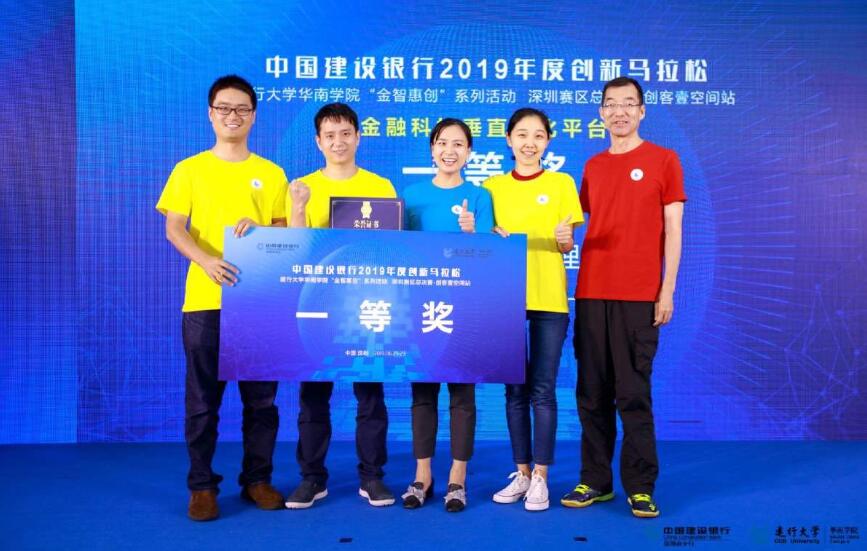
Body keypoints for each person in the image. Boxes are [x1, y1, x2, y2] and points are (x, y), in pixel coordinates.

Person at [156, 74, 287, 521]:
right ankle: (201, 486)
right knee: (202, 402)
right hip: (206, 301)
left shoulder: (271, 173)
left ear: (254, 116)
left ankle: (257, 479)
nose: (233, 116)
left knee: (262, 402)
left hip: (259, 304)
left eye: (242, 109)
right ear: (210, 114)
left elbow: (285, 232)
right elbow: (174, 228)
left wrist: (264, 231)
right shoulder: (189, 170)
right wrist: (207, 260)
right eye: (224, 108)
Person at [560, 76, 686, 519]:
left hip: (639, 295)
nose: (620, 112)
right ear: (601, 113)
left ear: (642, 111)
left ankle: (640, 485)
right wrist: (560, 236)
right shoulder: (593, 166)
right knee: (591, 392)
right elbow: (576, 225)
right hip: (591, 292)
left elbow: (674, 230)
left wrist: (666, 290)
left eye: (629, 104)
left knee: (633, 393)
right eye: (611, 104)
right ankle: (595, 480)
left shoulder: (664, 160)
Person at [285, 102, 398, 508]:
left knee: (371, 394)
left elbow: (392, 247)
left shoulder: (380, 187)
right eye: (330, 136)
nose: (338, 142)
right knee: (313, 396)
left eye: (346, 133)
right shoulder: (300, 186)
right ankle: (312, 478)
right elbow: (295, 250)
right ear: (318, 141)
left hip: (366, 303)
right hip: (317, 305)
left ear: (358, 137)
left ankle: (372, 477)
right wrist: (299, 207)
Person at [483, 108, 584, 511]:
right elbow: (483, 245)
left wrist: (565, 239)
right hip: (505, 299)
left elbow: (567, 243)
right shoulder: (490, 187)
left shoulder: (561, 183)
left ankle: (541, 477)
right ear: (508, 139)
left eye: (538, 135)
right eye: (522, 135)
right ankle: (521, 472)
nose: (529, 143)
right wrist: (487, 235)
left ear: (548, 141)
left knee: (543, 390)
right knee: (514, 390)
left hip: (549, 298)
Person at [399, 118, 494, 513]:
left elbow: (489, 257)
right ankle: (422, 475)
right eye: (442, 143)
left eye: (458, 144)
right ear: (431, 150)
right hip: (421, 305)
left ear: (469, 153)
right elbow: (400, 253)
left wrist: (473, 234)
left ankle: (458, 476)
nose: (449, 151)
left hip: (466, 306)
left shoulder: (480, 196)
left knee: (462, 393)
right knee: (422, 392)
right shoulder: (412, 196)